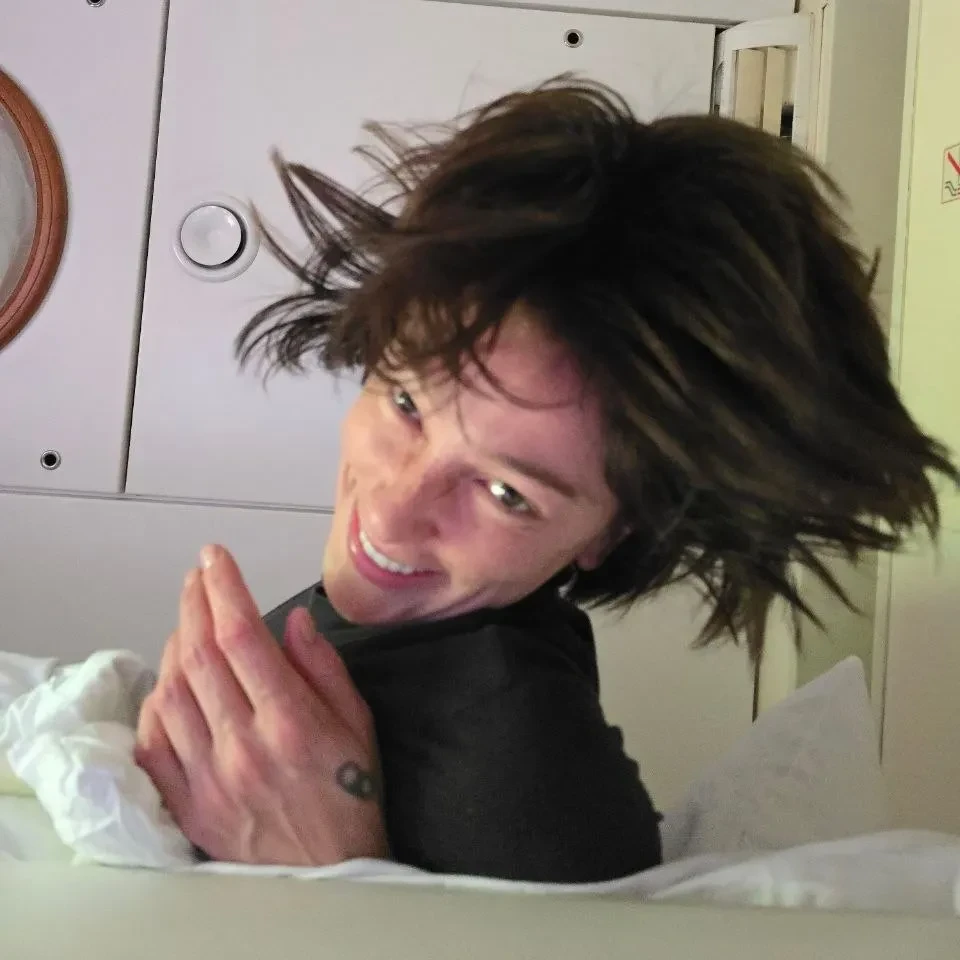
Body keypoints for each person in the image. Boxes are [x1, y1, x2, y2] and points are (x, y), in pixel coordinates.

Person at [133, 78, 959, 883]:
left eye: (506, 494)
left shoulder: (534, 797)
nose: (391, 512)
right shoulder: (414, 629)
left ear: (613, 530)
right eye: (409, 402)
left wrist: (332, 876)